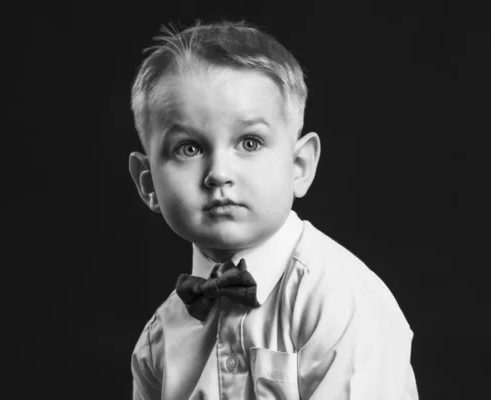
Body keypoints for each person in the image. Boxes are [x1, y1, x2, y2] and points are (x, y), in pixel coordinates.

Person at [128, 20, 418, 399]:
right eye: (189, 148)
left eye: (249, 142)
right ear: (148, 184)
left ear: (299, 166)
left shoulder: (339, 301)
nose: (218, 173)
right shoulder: (158, 341)